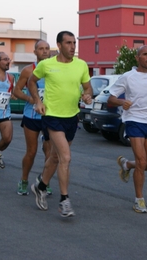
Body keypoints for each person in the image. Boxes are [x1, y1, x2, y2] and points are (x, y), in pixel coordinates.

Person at [28, 31, 93, 217]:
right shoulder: (46, 65)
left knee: (56, 157)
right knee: (65, 157)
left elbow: (87, 86)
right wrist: (38, 102)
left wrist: (87, 95)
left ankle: (40, 186)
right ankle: (64, 200)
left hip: (72, 117)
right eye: (69, 43)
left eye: (75, 43)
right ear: (59, 45)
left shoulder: (81, 65)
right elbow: (31, 82)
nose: (73, 46)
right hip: (52, 117)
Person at [108, 45, 147, 213]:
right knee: (142, 162)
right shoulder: (128, 77)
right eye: (145, 55)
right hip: (133, 120)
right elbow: (111, 98)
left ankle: (127, 164)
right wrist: (122, 102)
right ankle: (139, 200)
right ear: (137, 58)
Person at [13, 40, 52, 196]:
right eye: (41, 49)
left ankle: (44, 181)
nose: (44, 51)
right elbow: (16, 91)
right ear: (35, 52)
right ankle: (23, 180)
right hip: (31, 116)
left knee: (49, 152)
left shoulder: (55, 70)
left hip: (50, 116)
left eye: (47, 49)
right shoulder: (28, 71)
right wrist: (31, 99)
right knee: (32, 151)